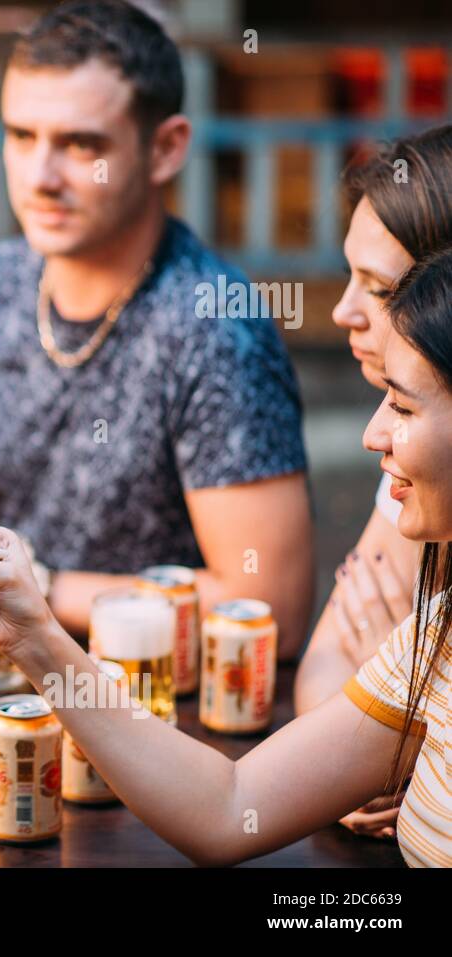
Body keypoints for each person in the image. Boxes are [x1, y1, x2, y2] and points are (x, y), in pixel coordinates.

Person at [0, 245, 452, 867]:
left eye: (401, 406)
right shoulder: (440, 632)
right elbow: (227, 807)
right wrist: (33, 640)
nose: (372, 434)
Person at [0, 0, 313, 656]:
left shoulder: (213, 325)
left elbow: (269, 604)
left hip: (157, 717)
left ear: (165, 149)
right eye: (21, 136)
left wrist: (38, 586)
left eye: (81, 144)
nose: (40, 177)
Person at [293, 126, 452, 839]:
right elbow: (325, 655)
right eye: (348, 274)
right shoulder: (406, 439)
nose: (343, 311)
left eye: (381, 288)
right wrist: (358, 760)